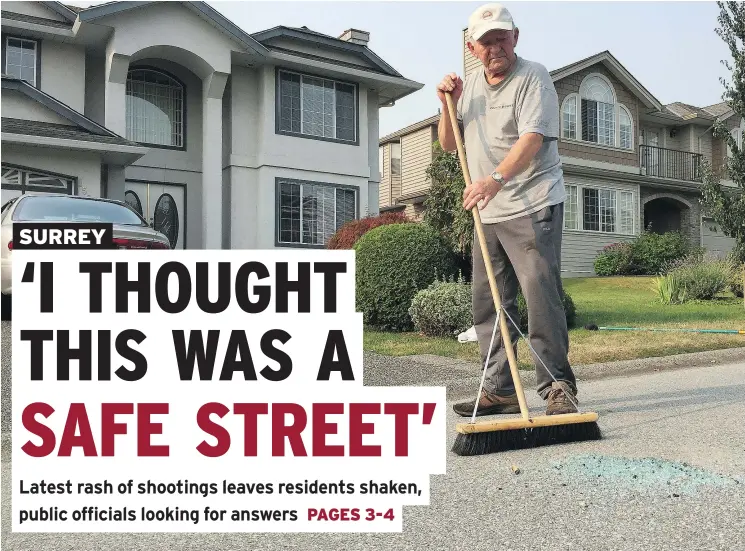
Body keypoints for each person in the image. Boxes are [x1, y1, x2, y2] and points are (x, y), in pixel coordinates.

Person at [436, 2, 579, 417]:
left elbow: (532, 139)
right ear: (472, 47)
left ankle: (558, 387)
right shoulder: (470, 89)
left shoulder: (533, 77)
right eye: (486, 40)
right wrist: (448, 104)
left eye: (502, 36)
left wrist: (493, 181)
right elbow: (449, 144)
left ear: (515, 37)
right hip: (489, 211)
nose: (495, 45)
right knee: (490, 301)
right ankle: (498, 388)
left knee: (539, 293)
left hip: (532, 203)